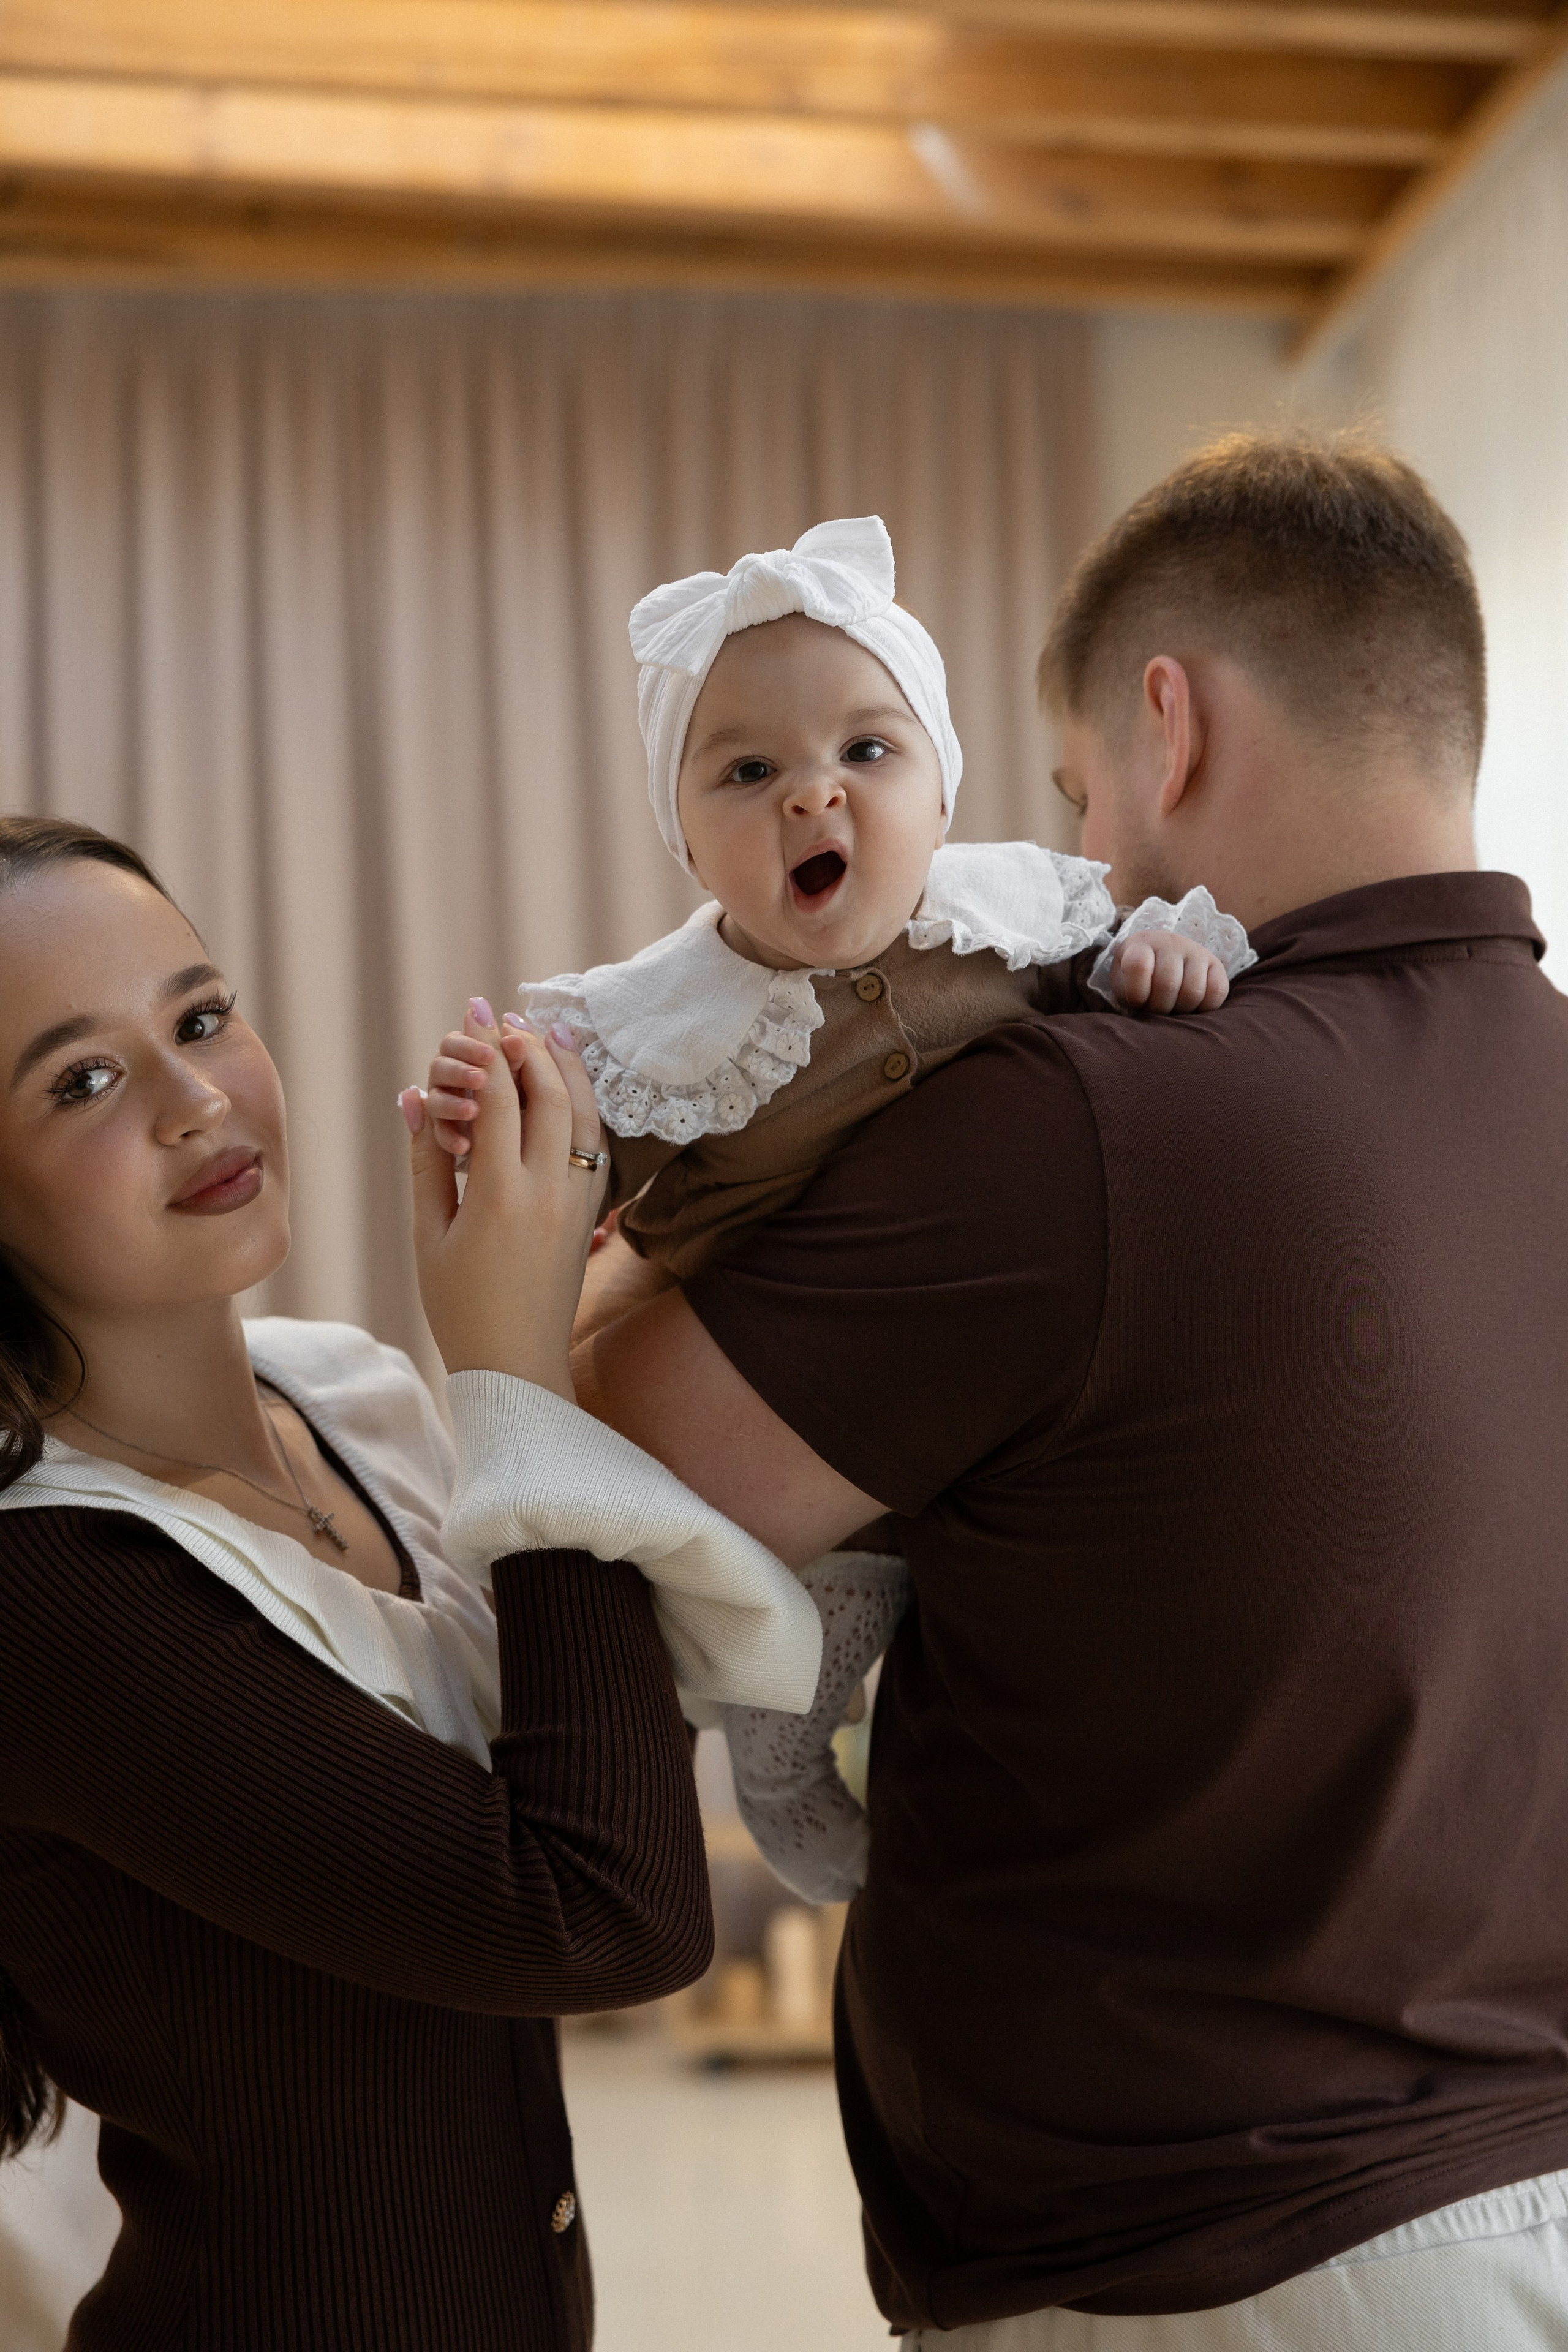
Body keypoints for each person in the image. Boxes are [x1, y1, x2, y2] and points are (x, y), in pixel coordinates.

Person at [570, 433, 1568, 2347]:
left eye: (1073, 793)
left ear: (1167, 730)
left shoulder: (1088, 1119)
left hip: (1220, 2271)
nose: (1085, 859)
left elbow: (620, 1470)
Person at [0, 813, 816, 2351]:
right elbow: (604, 1912)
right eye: (82, 1079)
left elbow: (610, 1743)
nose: (196, 1100)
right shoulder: (44, 1585)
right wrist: (522, 1378)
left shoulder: (354, 1399)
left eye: (200, 1017)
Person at [424, 515, 1251, 1905]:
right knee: (803, 1619)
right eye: (747, 773)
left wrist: (1159, 958)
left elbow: (1112, 977)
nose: (814, 797)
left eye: (867, 752)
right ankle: (782, 1771)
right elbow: (549, 1182)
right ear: (686, 847)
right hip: (777, 1385)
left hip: (989, 1386)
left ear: (940, 794)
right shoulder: (655, 1024)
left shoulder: (1010, 922)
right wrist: (499, 1114)